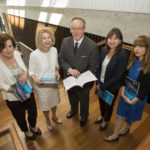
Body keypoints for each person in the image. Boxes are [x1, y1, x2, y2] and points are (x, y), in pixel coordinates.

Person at [105, 35, 150, 142]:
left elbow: (146, 88)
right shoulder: (132, 60)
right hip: (126, 94)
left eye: (140, 46)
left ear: (147, 48)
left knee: (131, 116)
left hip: (137, 98)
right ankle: (115, 135)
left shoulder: (148, 67)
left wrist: (134, 100)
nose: (136, 49)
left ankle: (126, 128)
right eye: (135, 46)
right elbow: (124, 78)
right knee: (119, 115)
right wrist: (123, 91)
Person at [58, 17, 99, 126]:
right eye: (73, 28)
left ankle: (84, 116)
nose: (76, 31)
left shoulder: (92, 46)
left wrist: (81, 78)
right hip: (69, 79)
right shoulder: (65, 41)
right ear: (70, 29)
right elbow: (61, 59)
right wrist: (69, 70)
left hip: (83, 83)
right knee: (71, 97)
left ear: (84, 29)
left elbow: (93, 68)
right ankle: (74, 110)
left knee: (84, 101)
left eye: (79, 28)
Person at [0, 33, 41, 140]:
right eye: (4, 47)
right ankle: (26, 130)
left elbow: (24, 68)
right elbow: (1, 84)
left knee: (33, 112)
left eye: (10, 46)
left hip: (27, 89)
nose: (9, 50)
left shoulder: (16, 54)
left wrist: (24, 73)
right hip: (12, 96)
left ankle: (32, 126)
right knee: (20, 117)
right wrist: (19, 93)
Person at [94, 28, 128, 131]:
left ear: (120, 41)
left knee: (108, 105)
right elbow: (99, 67)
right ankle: (102, 115)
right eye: (110, 38)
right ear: (107, 38)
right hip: (101, 83)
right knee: (100, 101)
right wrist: (98, 82)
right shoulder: (104, 50)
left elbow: (117, 76)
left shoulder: (122, 55)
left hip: (112, 87)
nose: (112, 41)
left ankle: (105, 121)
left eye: (115, 39)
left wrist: (102, 86)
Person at [29, 27, 61, 130]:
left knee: (54, 102)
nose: (47, 40)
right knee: (45, 105)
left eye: (49, 37)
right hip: (42, 86)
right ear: (39, 39)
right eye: (44, 38)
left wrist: (57, 71)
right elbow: (31, 71)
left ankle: (54, 116)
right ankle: (47, 119)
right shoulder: (34, 54)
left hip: (53, 83)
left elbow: (56, 64)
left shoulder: (54, 50)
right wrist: (35, 79)